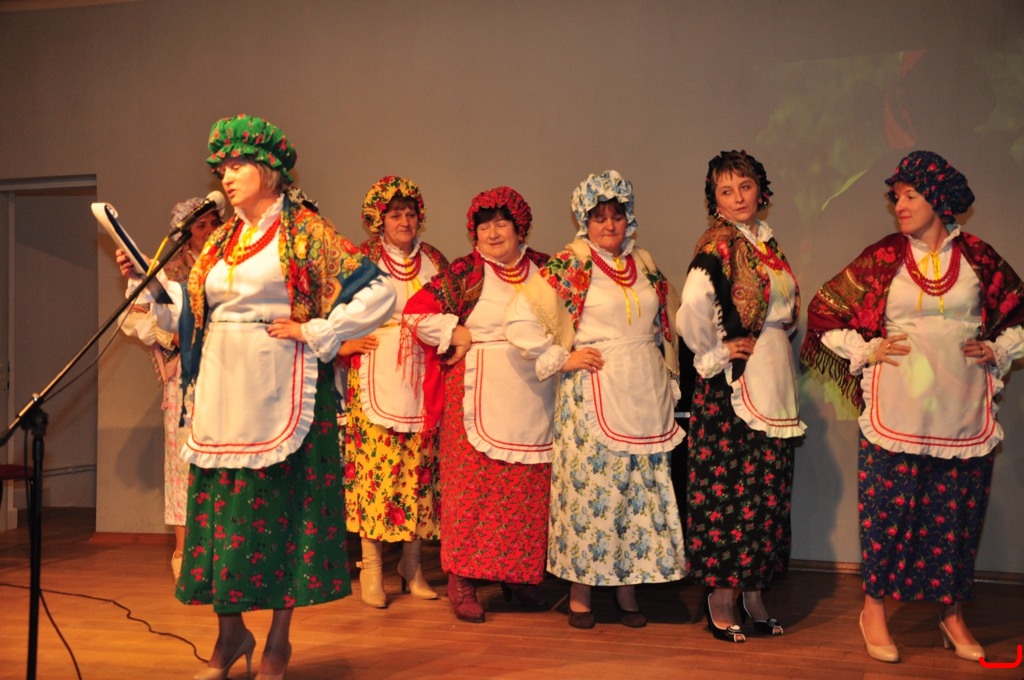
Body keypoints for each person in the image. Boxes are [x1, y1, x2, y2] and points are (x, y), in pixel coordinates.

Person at [120, 114, 395, 680]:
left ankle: (276, 643)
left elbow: (378, 289)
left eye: (238, 164)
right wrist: (149, 284)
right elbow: (191, 312)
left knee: (278, 516)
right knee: (224, 518)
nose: (226, 175)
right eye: (221, 166)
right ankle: (230, 636)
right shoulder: (222, 239)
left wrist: (317, 330)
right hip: (222, 391)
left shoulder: (305, 231)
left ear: (269, 170)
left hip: (281, 387)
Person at [801, 150, 1024, 664]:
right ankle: (873, 610)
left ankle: (951, 613)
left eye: (910, 195)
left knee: (957, 514)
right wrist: (866, 349)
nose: (899, 205)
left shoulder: (978, 258)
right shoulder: (884, 257)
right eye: (896, 196)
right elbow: (824, 313)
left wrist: (998, 349)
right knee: (888, 511)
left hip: (961, 409)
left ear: (938, 199)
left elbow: (1018, 313)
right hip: (897, 408)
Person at [506, 170, 685, 629]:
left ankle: (628, 588)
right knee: (591, 494)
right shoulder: (571, 264)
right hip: (592, 395)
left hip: (644, 393)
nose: (609, 225)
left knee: (637, 492)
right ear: (584, 221)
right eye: (599, 217)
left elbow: (665, 322)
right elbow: (520, 318)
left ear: (629, 219)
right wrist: (562, 358)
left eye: (617, 216)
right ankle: (581, 591)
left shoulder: (644, 263)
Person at [402, 186, 553, 623]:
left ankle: (518, 577)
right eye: (484, 226)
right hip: (475, 393)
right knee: (473, 494)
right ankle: (463, 580)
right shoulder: (465, 273)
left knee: (526, 492)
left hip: (535, 392)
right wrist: (455, 332)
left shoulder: (547, 270)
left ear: (520, 227)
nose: (493, 233)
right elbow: (415, 314)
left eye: (501, 223)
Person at [676, 150, 805, 643]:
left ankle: (754, 592)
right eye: (726, 190)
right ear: (715, 200)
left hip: (773, 380)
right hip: (733, 387)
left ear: (760, 190)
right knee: (731, 492)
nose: (738, 198)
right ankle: (722, 596)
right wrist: (716, 351)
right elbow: (692, 306)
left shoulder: (766, 243)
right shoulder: (719, 244)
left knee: (767, 491)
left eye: (745, 187)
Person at [340, 176, 448, 607]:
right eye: (395, 214)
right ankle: (371, 569)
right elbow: (330, 308)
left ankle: (412, 566)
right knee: (376, 473)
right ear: (378, 220)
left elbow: (453, 311)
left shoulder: (435, 260)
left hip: (421, 377)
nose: (405, 221)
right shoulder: (361, 259)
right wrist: (344, 344)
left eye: (410, 213)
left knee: (418, 472)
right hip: (374, 372)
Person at [119, 197, 223, 584]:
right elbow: (135, 318)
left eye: (214, 223)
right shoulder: (171, 270)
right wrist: (170, 337)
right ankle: (184, 551)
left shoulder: (229, 265)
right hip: (186, 381)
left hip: (226, 377)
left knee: (221, 462)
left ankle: (220, 550)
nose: (210, 231)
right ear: (185, 234)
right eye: (201, 226)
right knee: (183, 465)